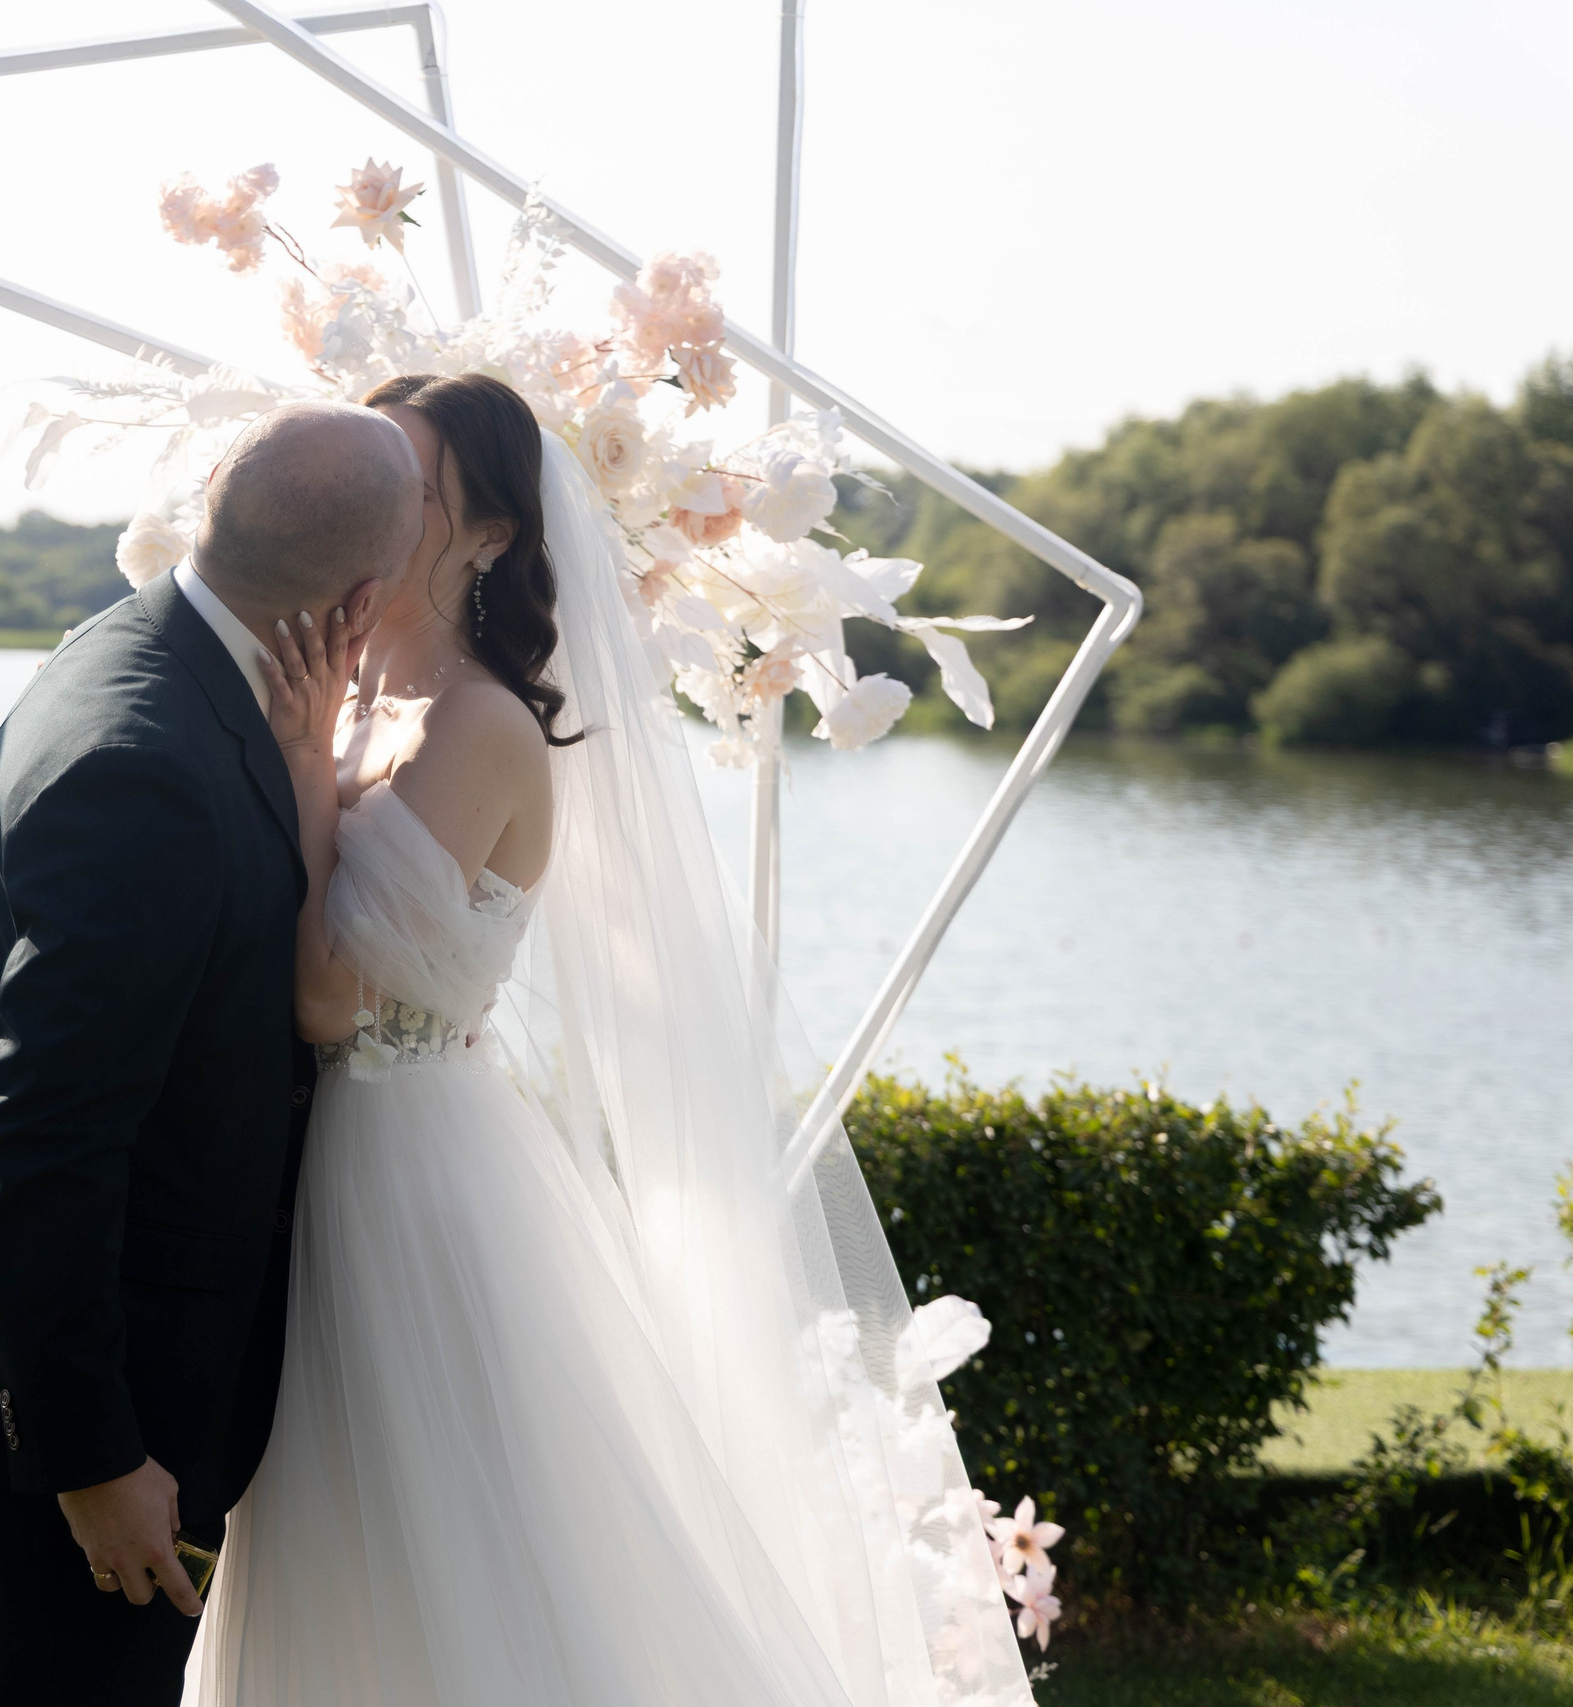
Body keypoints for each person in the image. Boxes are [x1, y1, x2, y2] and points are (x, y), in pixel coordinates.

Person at [185, 373, 1036, 1705]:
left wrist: (299, 767)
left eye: (411, 485)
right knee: (338, 1558)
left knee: (467, 1570)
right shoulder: (349, 698)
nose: (380, 508)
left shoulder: (479, 723)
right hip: (333, 1166)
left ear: (490, 536)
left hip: (412, 1176)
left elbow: (328, 998)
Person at [0, 399, 423, 1706]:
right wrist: (92, 1456)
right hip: (73, 1403)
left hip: (77, 1363)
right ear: (368, 595)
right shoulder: (148, 770)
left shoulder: (135, 649)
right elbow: (44, 1134)